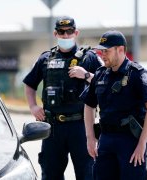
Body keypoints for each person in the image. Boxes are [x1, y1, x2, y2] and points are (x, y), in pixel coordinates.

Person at [23, 16, 103, 180]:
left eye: (69, 32)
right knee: (50, 174)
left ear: (76, 32)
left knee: (88, 173)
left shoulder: (89, 58)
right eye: (61, 32)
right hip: (53, 128)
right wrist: (33, 106)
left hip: (80, 126)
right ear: (55, 33)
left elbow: (106, 83)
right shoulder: (46, 59)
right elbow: (30, 84)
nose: (66, 36)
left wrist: (86, 74)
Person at [81, 30, 147, 180]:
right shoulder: (100, 74)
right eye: (101, 51)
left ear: (121, 50)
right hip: (105, 140)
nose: (102, 55)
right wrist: (90, 137)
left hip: (130, 142)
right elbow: (89, 105)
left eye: (106, 51)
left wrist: (142, 143)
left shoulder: (137, 74)